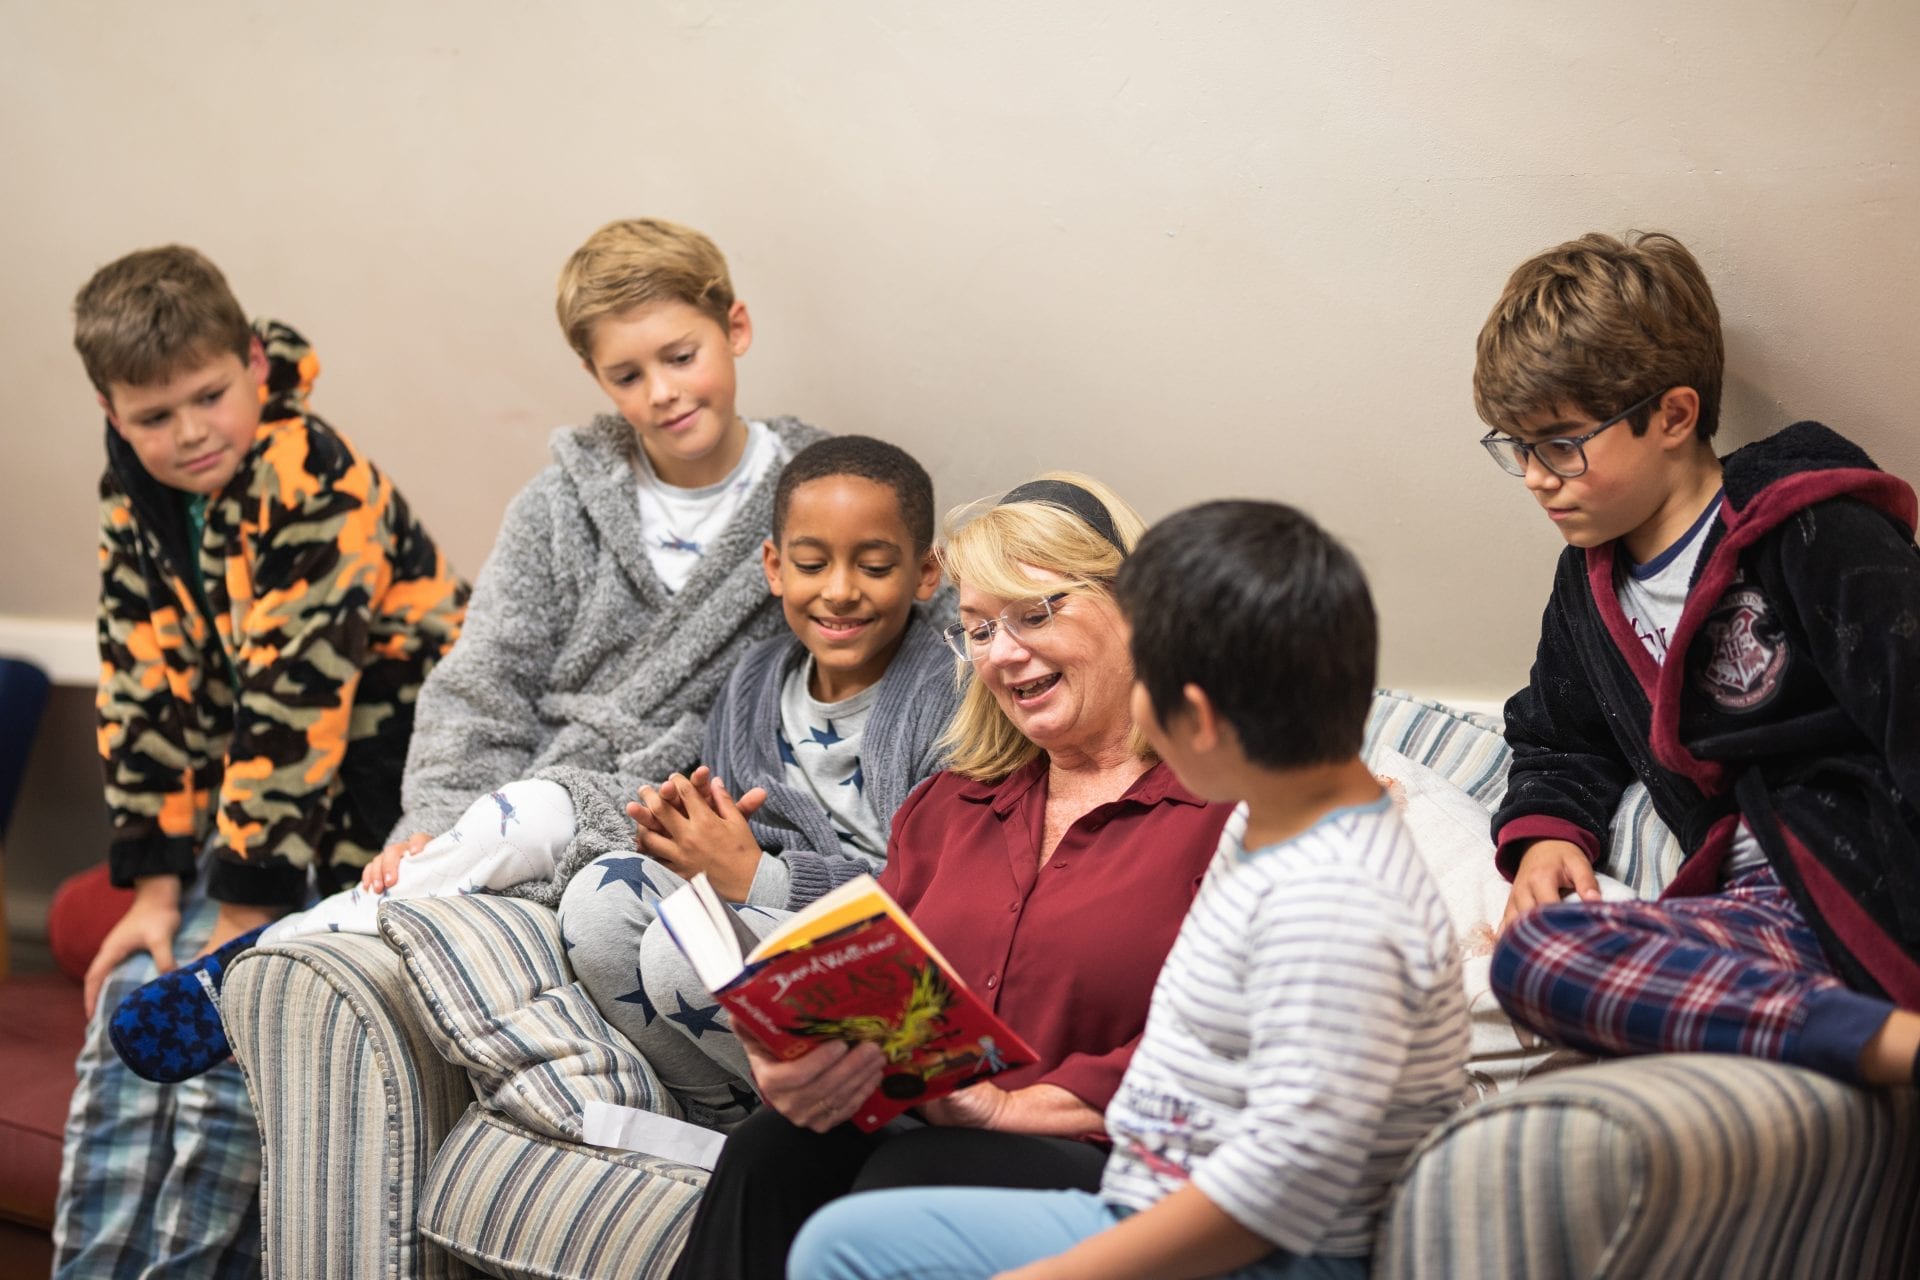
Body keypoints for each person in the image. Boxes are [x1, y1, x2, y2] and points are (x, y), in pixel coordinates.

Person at [790, 500, 1472, 1280]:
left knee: (850, 1247)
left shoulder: (1329, 896)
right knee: (841, 1239)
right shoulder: (1278, 836)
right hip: (1146, 1195)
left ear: (1201, 713)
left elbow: (1285, 1185)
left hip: (1264, 1254)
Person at [664, 473, 1232, 1280]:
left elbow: (1242, 1043)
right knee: (772, 1149)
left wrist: (1010, 1108)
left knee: (909, 1185)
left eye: (1034, 614)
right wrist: (798, 1051)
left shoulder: (1228, 808)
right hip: (928, 1128)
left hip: (1121, 1162)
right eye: (978, 629)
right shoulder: (948, 807)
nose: (1003, 653)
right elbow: (875, 983)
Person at [55, 245, 468, 1278]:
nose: (191, 433)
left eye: (210, 396)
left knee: (232, 1033)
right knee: (129, 1002)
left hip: (385, 790)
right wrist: (155, 890)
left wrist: (239, 927)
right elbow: (141, 676)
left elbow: (296, 707)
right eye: (154, 416)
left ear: (253, 360)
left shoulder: (316, 478)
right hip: (264, 804)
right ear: (111, 410)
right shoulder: (133, 492)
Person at [1472, 231, 1920, 1086]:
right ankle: (1836, 1034)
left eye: (1561, 444)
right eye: (1516, 447)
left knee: (1542, 966)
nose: (1535, 477)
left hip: (1862, 887)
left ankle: (1884, 1041)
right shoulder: (1586, 586)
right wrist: (1544, 840)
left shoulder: (1812, 531)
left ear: (1674, 416)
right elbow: (1557, 735)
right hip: (1740, 913)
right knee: (1530, 956)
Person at [557, 434, 957, 1126]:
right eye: (811, 563)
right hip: (770, 921)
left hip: (903, 977)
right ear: (774, 567)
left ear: (925, 573)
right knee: (599, 901)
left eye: (874, 565)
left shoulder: (949, 693)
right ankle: (727, 1120)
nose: (839, 590)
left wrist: (757, 878)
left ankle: (879, 1129)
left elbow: (946, 901)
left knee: (690, 951)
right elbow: (737, 841)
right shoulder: (753, 683)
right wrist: (687, 839)